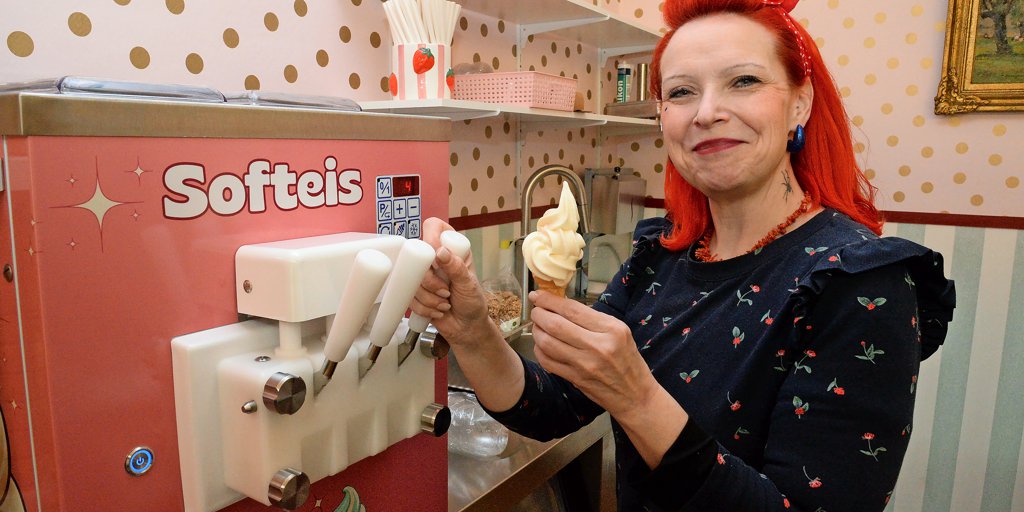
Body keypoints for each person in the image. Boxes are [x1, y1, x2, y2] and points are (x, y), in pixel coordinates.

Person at [412, 0, 956, 510]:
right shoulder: (662, 256)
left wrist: (637, 397)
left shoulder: (859, 283)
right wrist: (473, 329)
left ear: (800, 101)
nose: (707, 112)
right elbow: (553, 407)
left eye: (744, 81)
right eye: (681, 92)